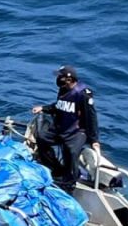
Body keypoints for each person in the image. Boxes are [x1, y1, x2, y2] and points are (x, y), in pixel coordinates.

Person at [31, 65, 100, 193]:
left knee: (71, 152)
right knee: (42, 138)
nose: (58, 79)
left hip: (76, 131)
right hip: (61, 127)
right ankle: (56, 169)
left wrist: (94, 140)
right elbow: (59, 106)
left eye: (60, 76)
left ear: (69, 79)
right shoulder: (63, 90)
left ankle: (69, 183)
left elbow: (91, 117)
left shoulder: (83, 94)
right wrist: (44, 108)